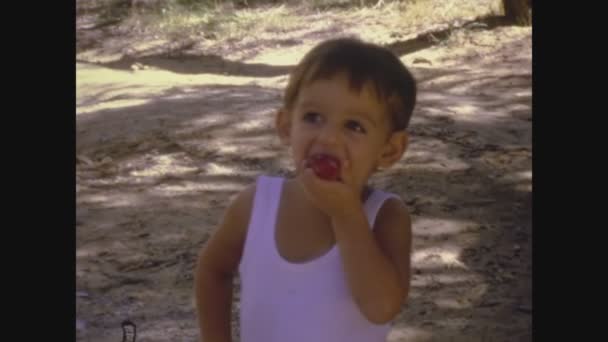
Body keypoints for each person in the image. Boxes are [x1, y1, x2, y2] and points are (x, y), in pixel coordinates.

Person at [195, 37, 417, 342]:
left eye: (354, 126)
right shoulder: (257, 205)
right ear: (286, 126)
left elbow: (381, 308)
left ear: (390, 150)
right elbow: (212, 270)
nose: (327, 138)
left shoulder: (386, 218)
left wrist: (346, 214)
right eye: (313, 118)